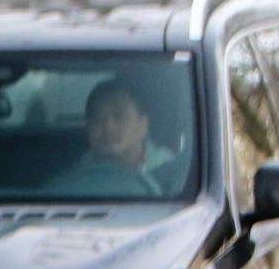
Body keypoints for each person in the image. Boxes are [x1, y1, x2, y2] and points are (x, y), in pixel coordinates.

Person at [53, 78, 183, 195]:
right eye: (97, 118)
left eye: (119, 116)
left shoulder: (172, 175)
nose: (107, 127)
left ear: (143, 124)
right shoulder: (74, 176)